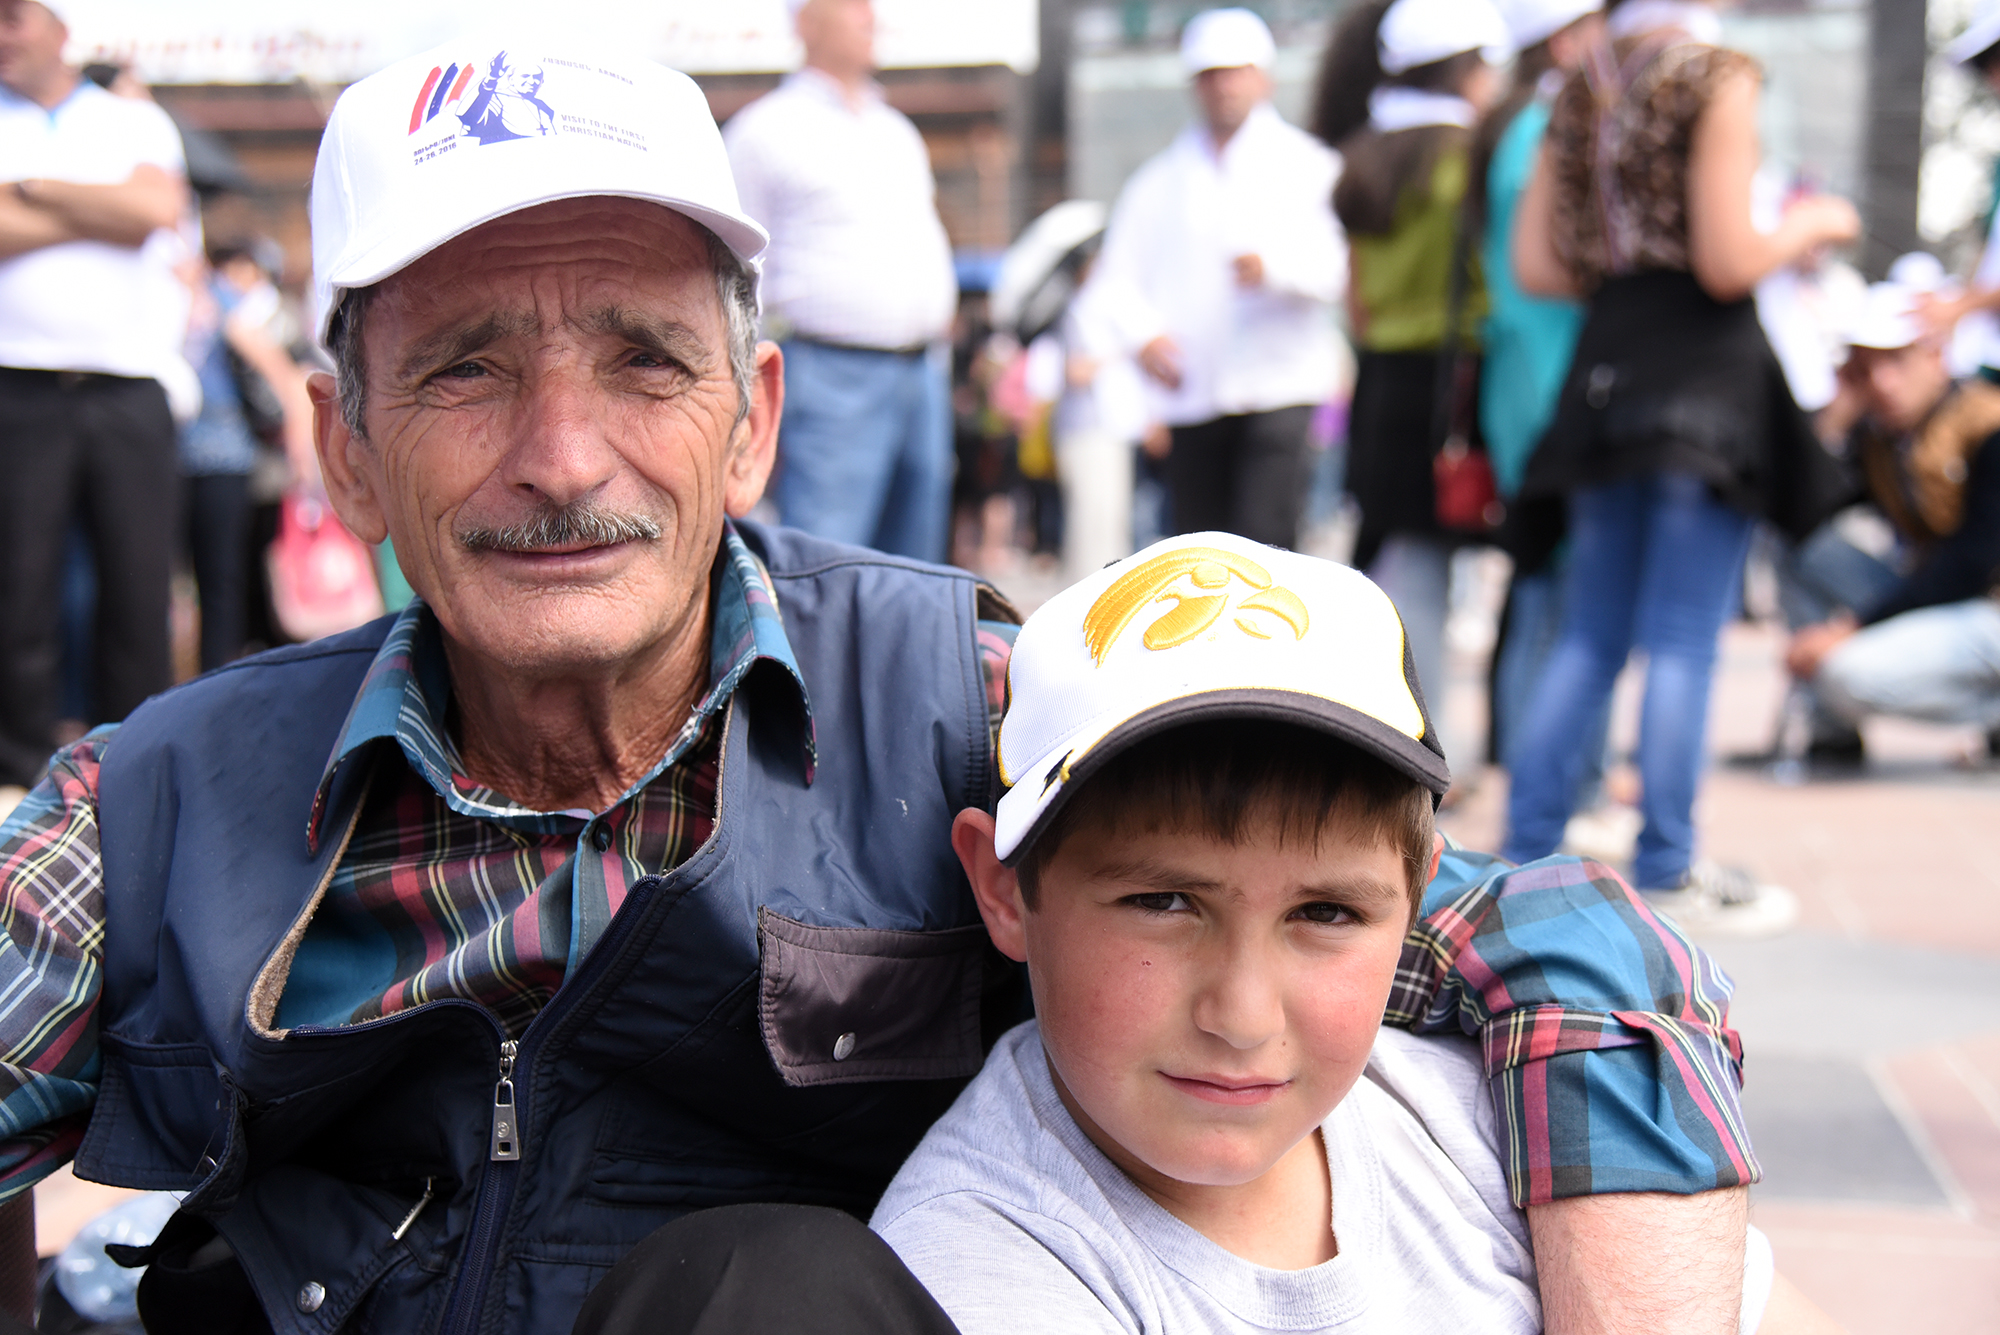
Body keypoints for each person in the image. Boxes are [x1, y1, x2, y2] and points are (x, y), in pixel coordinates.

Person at [0, 33, 1768, 1335]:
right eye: (464, 370)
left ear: (755, 419)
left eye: (645, 362)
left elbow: (1550, 939)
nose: (562, 455)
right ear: (346, 452)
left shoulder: (963, 701)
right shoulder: (160, 800)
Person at [872, 533, 1835, 1334]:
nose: (1243, 1016)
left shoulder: (1468, 1115)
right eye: (1164, 902)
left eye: (1326, 913)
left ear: (1416, 900)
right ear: (1004, 888)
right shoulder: (980, 1265)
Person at [1504, 0, 1859, 934]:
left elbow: (1536, 264)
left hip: (1606, 370)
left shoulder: (1579, 82)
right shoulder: (1715, 72)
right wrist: (1815, 221)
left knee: (1590, 635)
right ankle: (1666, 861)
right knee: (1685, 637)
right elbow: (1725, 259)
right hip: (1705, 379)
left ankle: (1523, 854)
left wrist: (1626, 270)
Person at [0, 0, 190, 789]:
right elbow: (128, 212)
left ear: (61, 25)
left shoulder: (134, 121)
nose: (1, 34)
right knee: (17, 591)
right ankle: (15, 771)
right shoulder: (123, 139)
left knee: (138, 586)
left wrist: (32, 189)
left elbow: (155, 210)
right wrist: (98, 208)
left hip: (128, 383)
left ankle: (136, 764)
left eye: (12, 16)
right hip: (16, 383)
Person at [1313, 0, 1506, 754]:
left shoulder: (1363, 156)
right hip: (1448, 381)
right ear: (1463, 67)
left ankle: (1392, 730)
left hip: (1381, 377)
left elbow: (1356, 297)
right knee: (1428, 567)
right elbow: (1491, 286)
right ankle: (1429, 748)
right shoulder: (1465, 159)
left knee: (1392, 556)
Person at [1086, 8, 1344, 551]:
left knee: (1267, 551)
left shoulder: (1307, 166)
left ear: (1264, 77)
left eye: (1236, 71)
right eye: (1210, 74)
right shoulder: (1158, 183)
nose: (1223, 86)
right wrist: (1142, 336)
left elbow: (1336, 269)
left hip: (1278, 387)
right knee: (1201, 555)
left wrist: (1273, 269)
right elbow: (1116, 279)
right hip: (1194, 395)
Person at [722, 0, 957, 561]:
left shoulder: (894, 129)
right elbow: (731, 270)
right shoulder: (764, 132)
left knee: (916, 563)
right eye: (852, 4)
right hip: (829, 374)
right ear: (806, 21)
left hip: (921, 373)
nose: (869, 15)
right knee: (829, 559)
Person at [1785, 281, 2000, 748]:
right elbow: (1798, 508)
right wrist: (1834, 421)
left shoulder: (1988, 422)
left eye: (1895, 360)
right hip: (1949, 603)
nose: (1881, 382)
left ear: (1935, 357)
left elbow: (1970, 563)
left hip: (1987, 606)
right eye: (1866, 367)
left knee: (1843, 672)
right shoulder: (1882, 438)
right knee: (1804, 546)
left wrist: (1850, 629)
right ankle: (1832, 735)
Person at [1474, 0, 1604, 771]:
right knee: (1556, 601)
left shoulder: (1521, 127)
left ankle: (1555, 787)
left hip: (1534, 387)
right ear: (1564, 38)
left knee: (1550, 597)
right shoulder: (1542, 132)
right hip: (1552, 392)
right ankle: (1546, 796)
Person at [177, 240, 316, 671]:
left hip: (225, 459)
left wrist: (300, 452)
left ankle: (218, 674)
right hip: (176, 457)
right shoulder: (160, 301)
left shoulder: (226, 305)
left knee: (223, 579)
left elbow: (281, 374)